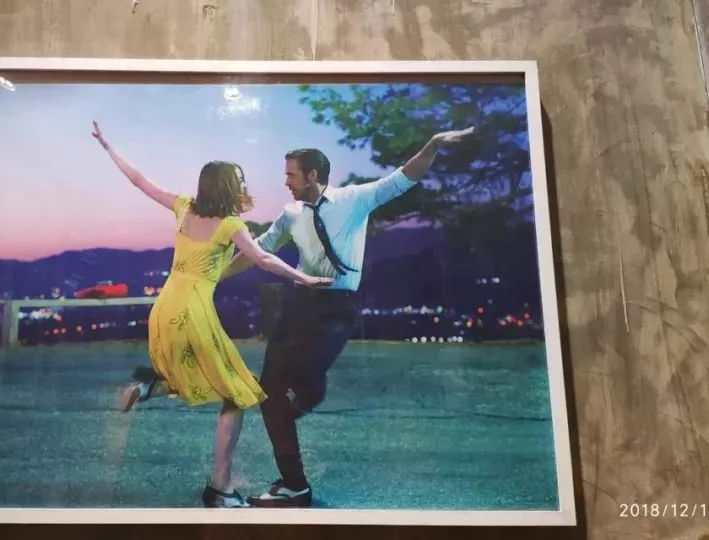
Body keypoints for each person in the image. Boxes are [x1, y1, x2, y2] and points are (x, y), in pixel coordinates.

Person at [220, 127, 475, 508]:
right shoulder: (290, 214)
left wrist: (433, 144)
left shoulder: (353, 200)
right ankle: (294, 485)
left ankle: (304, 398)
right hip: (298, 305)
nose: (285, 182)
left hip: (337, 308)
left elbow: (403, 177)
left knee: (307, 377)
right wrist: (213, 277)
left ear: (312, 175)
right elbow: (259, 251)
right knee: (269, 394)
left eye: (291, 175)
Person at [90, 122, 333, 509]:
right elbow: (263, 258)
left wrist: (108, 147)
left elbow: (139, 180)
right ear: (226, 186)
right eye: (239, 180)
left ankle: (148, 387)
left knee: (194, 372)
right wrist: (303, 277)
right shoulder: (230, 225)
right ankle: (220, 488)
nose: (243, 184)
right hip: (194, 313)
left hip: (164, 309)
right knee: (237, 394)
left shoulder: (183, 207)